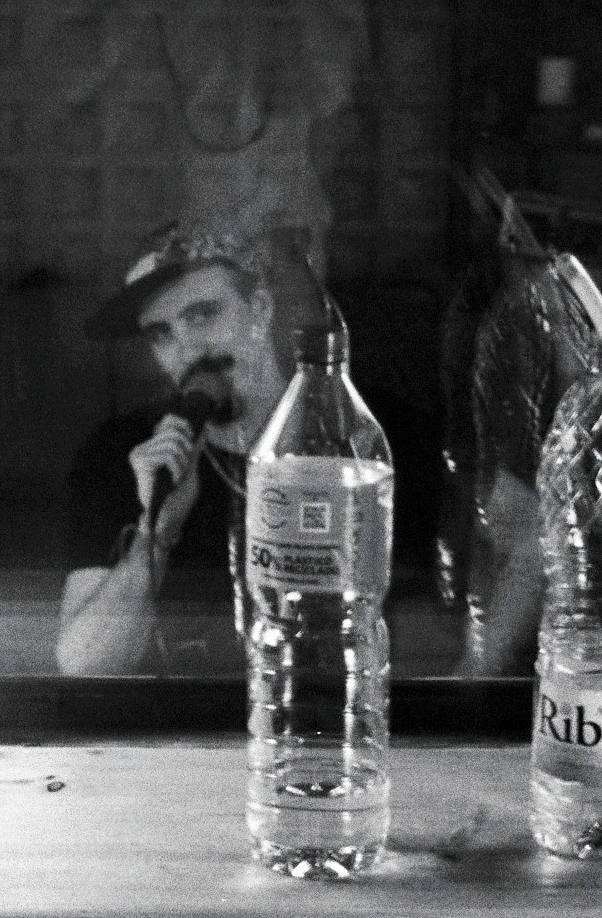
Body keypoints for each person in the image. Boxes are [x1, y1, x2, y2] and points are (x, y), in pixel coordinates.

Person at [56, 229, 436, 676]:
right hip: (179, 734)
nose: (187, 350)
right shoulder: (123, 456)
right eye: (163, 334)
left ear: (259, 310)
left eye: (202, 316)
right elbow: (83, 665)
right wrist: (156, 533)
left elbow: (422, 640)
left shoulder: (364, 442)